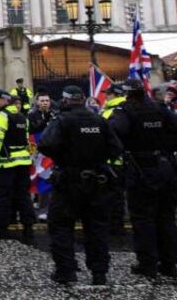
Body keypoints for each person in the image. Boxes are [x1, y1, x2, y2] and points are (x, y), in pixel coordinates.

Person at [37, 85, 122, 285]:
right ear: (83, 99)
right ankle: (99, 272)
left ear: (65, 100)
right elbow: (116, 148)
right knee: (96, 228)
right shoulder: (99, 120)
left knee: (61, 227)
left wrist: (64, 156)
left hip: (69, 180)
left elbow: (46, 145)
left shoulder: (62, 121)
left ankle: (66, 272)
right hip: (96, 181)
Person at [109, 77, 177, 279]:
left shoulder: (125, 111)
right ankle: (170, 264)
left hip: (141, 169)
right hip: (166, 166)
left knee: (143, 219)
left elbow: (115, 131)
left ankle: (148, 264)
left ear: (127, 94)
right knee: (166, 218)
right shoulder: (160, 109)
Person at [0, 91, 35, 242]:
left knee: (3, 197)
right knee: (24, 196)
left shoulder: (1, 116)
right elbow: (26, 140)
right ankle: (28, 229)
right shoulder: (22, 117)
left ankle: (1, 229)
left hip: (6, 164)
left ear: (4, 101)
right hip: (23, 163)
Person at [100, 84, 128, 234]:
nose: (105, 96)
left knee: (114, 195)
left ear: (113, 95)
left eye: (108, 94)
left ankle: (115, 225)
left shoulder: (114, 112)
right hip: (120, 159)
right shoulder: (124, 109)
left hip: (113, 161)